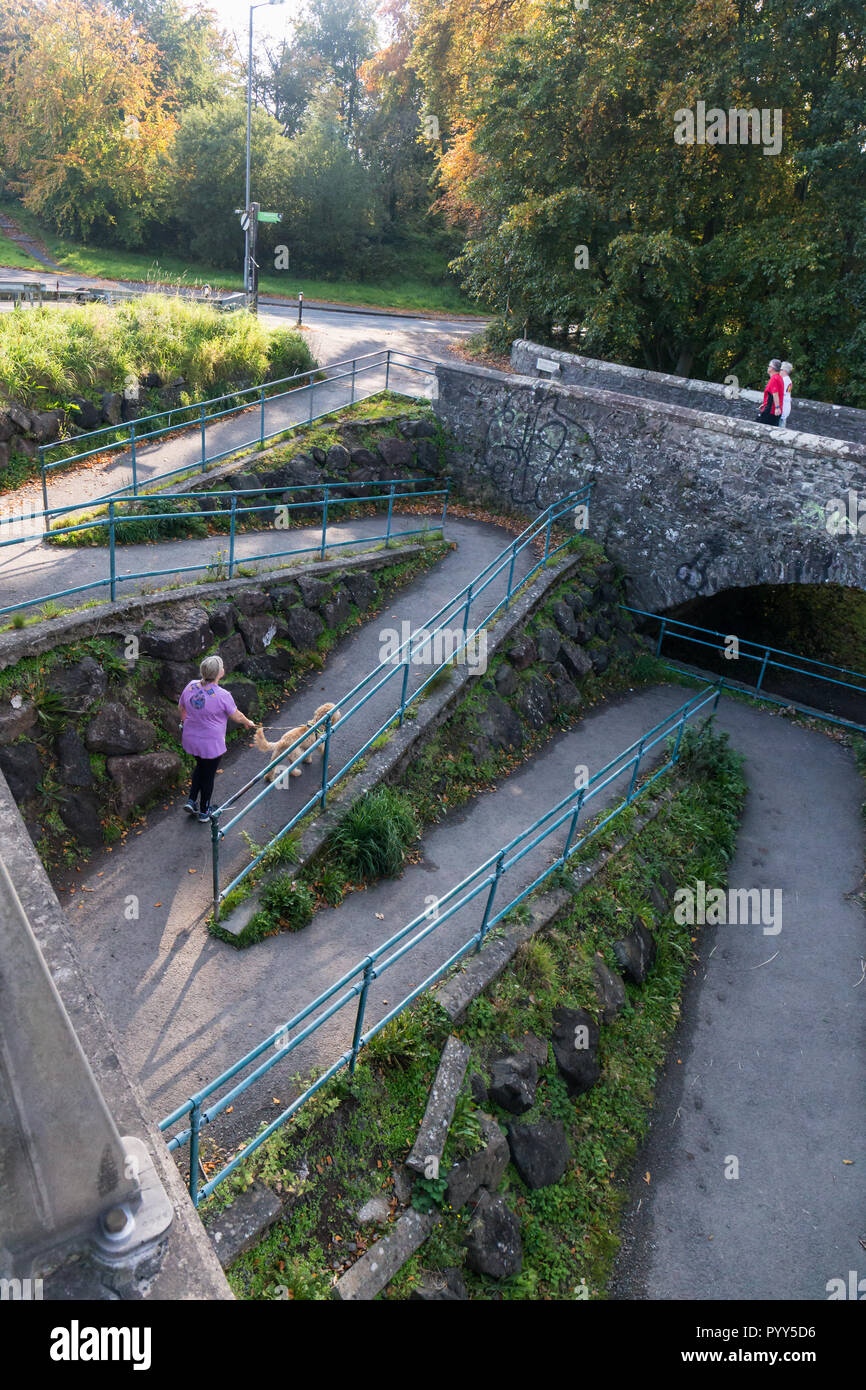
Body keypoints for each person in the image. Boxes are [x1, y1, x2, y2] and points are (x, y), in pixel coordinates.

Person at [179, 655, 255, 822]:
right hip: (211, 744)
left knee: (200, 766)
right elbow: (237, 716)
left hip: (191, 738)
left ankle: (192, 801)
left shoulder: (191, 686)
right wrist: (248, 722)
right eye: (221, 667)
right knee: (208, 775)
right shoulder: (222, 695)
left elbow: (182, 707)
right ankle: (205, 811)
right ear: (220, 673)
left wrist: (184, 723)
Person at [758, 358, 785, 424]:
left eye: (769, 366)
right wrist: (764, 404)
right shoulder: (779, 377)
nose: (768, 367)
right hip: (773, 410)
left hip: (771, 411)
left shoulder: (774, 378)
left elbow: (775, 394)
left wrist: (777, 407)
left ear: (772, 368)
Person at [779, 361, 793, 427]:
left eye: (780, 369)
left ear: (784, 371)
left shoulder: (783, 381)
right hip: (785, 408)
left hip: (782, 408)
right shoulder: (788, 380)